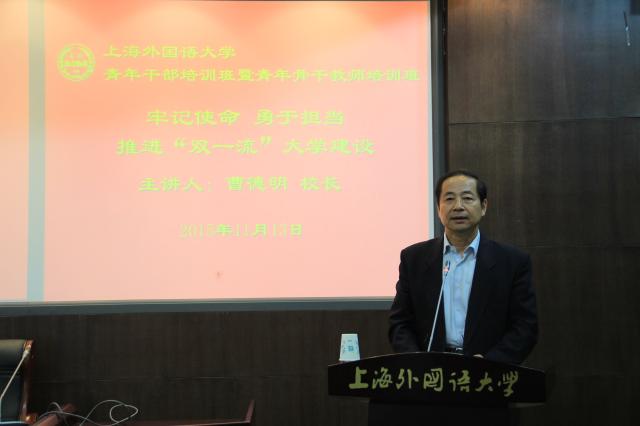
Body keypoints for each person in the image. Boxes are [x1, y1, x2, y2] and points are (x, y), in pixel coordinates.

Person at [389, 170, 538, 364]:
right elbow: (400, 323)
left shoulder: (512, 262)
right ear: (438, 208)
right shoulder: (414, 259)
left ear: (483, 206)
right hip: (429, 372)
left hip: (486, 372)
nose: (458, 206)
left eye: (467, 198)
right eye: (449, 199)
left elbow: (525, 327)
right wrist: (417, 361)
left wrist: (490, 362)